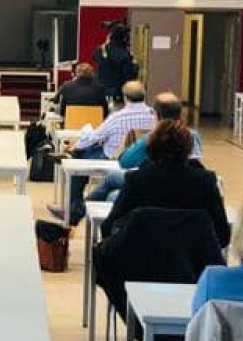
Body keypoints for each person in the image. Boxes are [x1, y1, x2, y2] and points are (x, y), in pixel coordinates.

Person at [104, 121, 229, 248]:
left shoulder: (136, 180)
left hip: (144, 255)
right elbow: (223, 235)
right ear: (188, 149)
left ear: (151, 148)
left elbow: (108, 227)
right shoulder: (205, 182)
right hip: (192, 258)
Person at [54, 80, 156, 226]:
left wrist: (75, 146)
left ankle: (74, 208)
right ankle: (75, 210)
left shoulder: (117, 117)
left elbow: (95, 136)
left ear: (125, 97)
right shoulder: (154, 116)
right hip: (143, 160)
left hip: (114, 157)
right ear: (144, 96)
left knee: (80, 158)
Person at [86, 92, 202, 208]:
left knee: (113, 188)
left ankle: (85, 207)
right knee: (113, 192)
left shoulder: (152, 138)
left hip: (154, 186)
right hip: (184, 188)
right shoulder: (193, 136)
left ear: (156, 115)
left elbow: (125, 162)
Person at [93, 24, 138, 103]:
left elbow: (95, 58)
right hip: (117, 93)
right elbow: (129, 75)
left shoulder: (101, 50)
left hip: (100, 92)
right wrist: (135, 66)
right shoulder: (125, 54)